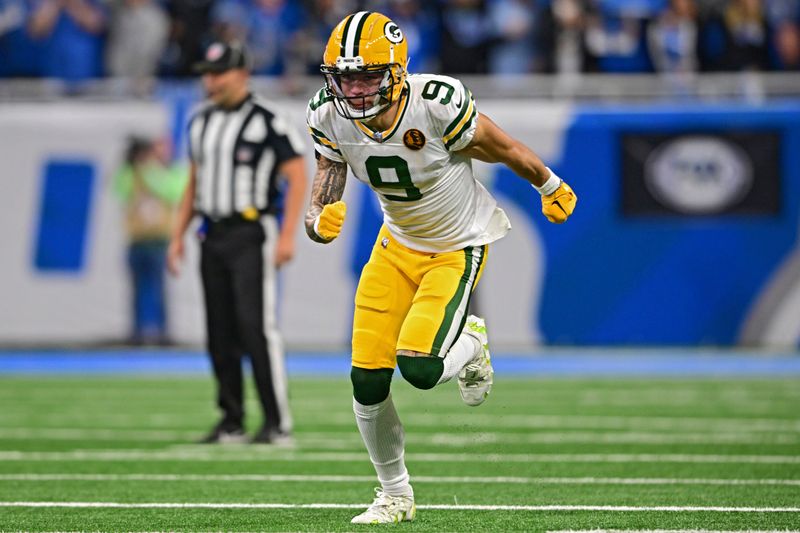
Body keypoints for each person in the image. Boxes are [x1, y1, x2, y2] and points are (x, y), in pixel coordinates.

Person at [304, 11, 577, 524]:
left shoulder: (435, 105)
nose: (356, 90)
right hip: (395, 247)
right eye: (346, 77)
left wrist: (548, 182)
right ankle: (395, 495)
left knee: (421, 369)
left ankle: (473, 345)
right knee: (366, 378)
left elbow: (503, 147)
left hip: (457, 246)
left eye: (367, 76)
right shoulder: (328, 115)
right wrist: (318, 221)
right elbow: (324, 186)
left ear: (398, 72)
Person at [168, 41, 307, 445]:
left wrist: (286, 235)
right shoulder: (200, 122)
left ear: (242, 73)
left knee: (255, 326)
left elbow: (296, 175)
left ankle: (276, 422)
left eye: (219, 72)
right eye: (207, 73)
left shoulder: (268, 120)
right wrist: (177, 235)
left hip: (251, 231)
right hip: (211, 233)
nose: (210, 81)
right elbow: (193, 183)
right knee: (218, 329)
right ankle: (231, 418)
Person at [113, 136, 186, 345]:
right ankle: (137, 332)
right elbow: (119, 190)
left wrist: (147, 168)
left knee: (159, 289)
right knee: (136, 290)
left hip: (159, 240)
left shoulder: (171, 172)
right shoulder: (132, 173)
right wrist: (129, 165)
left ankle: (162, 332)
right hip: (136, 240)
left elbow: (172, 192)